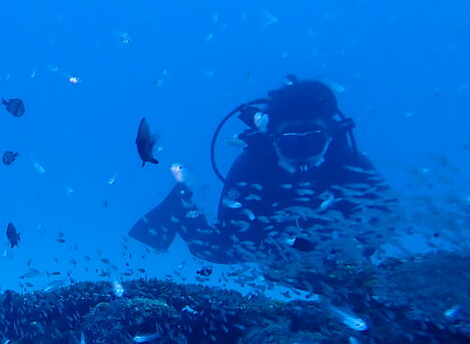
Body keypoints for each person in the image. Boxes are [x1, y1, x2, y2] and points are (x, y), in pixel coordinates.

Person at [129, 77, 393, 264]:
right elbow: (230, 229)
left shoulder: (348, 161)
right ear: (274, 139)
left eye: (313, 140)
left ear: (330, 136)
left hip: (326, 241)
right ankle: (181, 206)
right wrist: (280, 244)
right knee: (213, 251)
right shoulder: (252, 165)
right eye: (291, 143)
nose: (304, 153)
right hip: (266, 236)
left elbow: (386, 211)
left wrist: (358, 246)